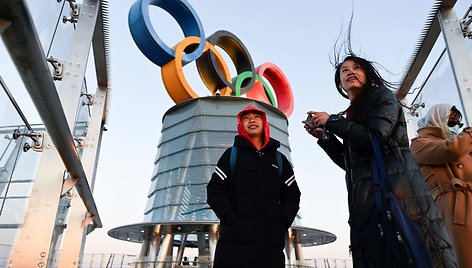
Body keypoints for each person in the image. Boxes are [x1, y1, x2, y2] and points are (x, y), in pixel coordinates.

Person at [304, 55, 457, 267]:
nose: (350, 72)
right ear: (339, 83)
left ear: (367, 74)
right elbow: (352, 165)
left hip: (401, 200)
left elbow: (376, 136)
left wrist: (332, 121)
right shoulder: (352, 114)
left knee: (421, 257)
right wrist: (325, 138)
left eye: (357, 68)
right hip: (372, 206)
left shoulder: (381, 96)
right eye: (344, 70)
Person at [207, 106, 301, 268]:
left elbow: (292, 195)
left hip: (270, 249)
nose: (252, 120)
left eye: (257, 116)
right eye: (246, 118)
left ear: (264, 123)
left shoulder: (279, 160)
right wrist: (231, 218)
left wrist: (281, 221)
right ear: (240, 125)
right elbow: (214, 190)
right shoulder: (231, 155)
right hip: (233, 248)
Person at [410, 103, 472, 268]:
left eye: (458, 124)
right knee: (465, 257)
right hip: (452, 206)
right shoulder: (418, 144)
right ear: (435, 119)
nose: (456, 128)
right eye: (451, 123)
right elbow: (451, 151)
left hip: (468, 201)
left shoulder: (463, 146)